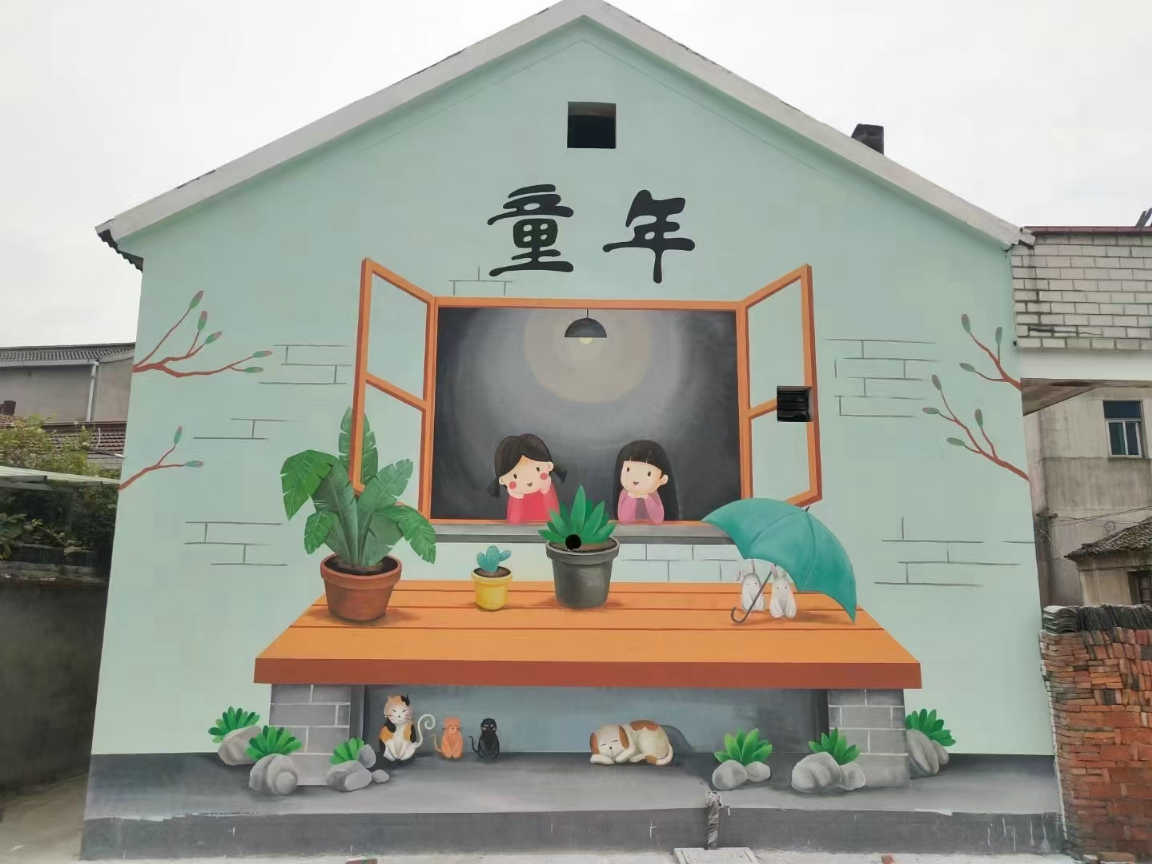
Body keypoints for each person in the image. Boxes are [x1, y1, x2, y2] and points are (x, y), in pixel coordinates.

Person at [488, 433, 566, 523]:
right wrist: (517, 498)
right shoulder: (516, 494)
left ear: (548, 466)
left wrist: (546, 491)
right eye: (515, 476)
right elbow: (514, 522)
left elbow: (554, 518)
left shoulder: (546, 486)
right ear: (503, 480)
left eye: (537, 469)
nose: (528, 479)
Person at [613, 439, 679, 524]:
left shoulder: (653, 494)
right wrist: (631, 497)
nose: (636, 478)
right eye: (628, 470)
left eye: (648, 474)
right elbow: (624, 519)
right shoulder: (625, 493)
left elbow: (658, 519)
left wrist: (647, 498)